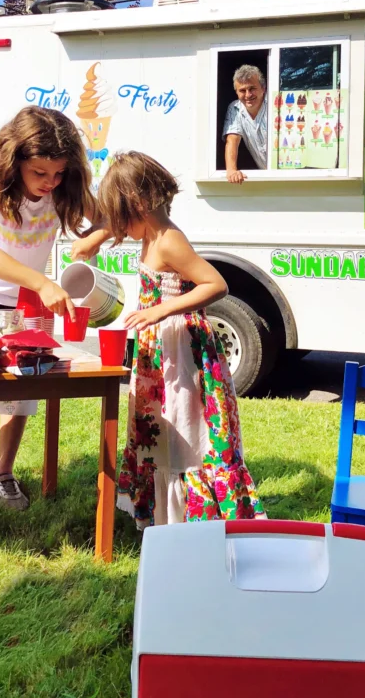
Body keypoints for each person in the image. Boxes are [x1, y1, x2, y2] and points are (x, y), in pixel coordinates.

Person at [0, 106, 108, 510]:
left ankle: (3, 473)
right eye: (40, 173)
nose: (50, 182)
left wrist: (95, 238)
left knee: (25, 379)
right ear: (15, 160)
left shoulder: (66, 190)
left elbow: (114, 218)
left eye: (58, 173)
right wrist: (43, 282)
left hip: (24, 297)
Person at [96, 151, 265, 527]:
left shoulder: (169, 241)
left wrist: (160, 311)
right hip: (160, 352)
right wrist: (95, 239)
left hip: (182, 354)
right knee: (158, 429)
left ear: (138, 204)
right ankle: (163, 517)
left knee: (186, 431)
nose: (118, 229)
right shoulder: (152, 234)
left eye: (120, 217)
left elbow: (215, 284)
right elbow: (116, 227)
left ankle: (190, 521)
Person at [223, 64, 268, 184]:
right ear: (236, 92)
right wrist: (232, 170)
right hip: (267, 176)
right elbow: (232, 140)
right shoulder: (235, 108)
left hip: (293, 171)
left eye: (252, 88)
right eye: (242, 90)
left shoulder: (276, 103)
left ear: (263, 88)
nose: (248, 95)